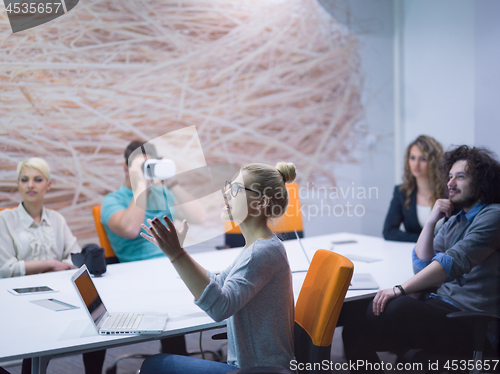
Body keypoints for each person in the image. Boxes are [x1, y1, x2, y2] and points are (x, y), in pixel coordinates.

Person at [343, 146, 500, 373]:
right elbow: (422, 265)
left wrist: (399, 289)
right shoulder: (456, 220)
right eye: (450, 177)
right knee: (355, 327)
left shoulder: (493, 216)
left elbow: (452, 262)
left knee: (394, 307)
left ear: (482, 182)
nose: (450, 184)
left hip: (472, 321)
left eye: (460, 177)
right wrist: (431, 221)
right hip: (441, 308)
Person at [139, 162, 297, 374]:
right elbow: (219, 282)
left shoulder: (261, 252)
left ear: (261, 202)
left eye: (236, 189)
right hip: (255, 367)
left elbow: (220, 307)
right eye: (228, 186)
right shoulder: (260, 246)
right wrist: (176, 252)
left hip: (258, 370)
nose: (226, 194)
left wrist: (177, 254)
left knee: (154, 366)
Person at [101, 140, 206, 356]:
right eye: (143, 166)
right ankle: (176, 361)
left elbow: (199, 216)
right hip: (139, 276)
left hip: (172, 266)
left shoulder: (162, 194)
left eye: (151, 166)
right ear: (125, 168)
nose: (147, 172)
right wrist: (141, 184)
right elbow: (130, 228)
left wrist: (171, 182)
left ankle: (177, 360)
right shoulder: (113, 200)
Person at [0, 158, 105, 374]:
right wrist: (50, 263)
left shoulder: (56, 219)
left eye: (38, 179)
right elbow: (4, 268)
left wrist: (57, 266)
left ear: (48, 185)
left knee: (95, 320)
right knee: (38, 334)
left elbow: (73, 258)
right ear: (18, 184)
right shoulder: (5, 219)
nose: (31, 185)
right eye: (25, 179)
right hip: (18, 299)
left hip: (54, 294)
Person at [383, 135, 446, 242]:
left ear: (433, 162)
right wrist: (425, 240)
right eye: (412, 158)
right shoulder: (402, 192)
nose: (416, 164)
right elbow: (389, 231)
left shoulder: (449, 192)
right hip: (413, 252)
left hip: (446, 254)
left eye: (423, 159)